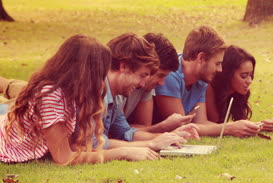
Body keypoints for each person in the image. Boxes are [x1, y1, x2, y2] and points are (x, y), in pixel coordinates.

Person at [0, 35, 159, 165]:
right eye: (101, 73)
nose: (103, 80)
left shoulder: (74, 96)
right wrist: (124, 152)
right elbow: (64, 158)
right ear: (86, 72)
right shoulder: (50, 96)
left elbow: (77, 145)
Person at [154, 26, 262, 137]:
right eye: (217, 64)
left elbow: (201, 122)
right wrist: (229, 129)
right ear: (201, 58)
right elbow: (182, 128)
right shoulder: (170, 76)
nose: (220, 70)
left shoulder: (201, 79)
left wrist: (248, 127)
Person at [102, 33, 199, 151]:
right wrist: (150, 144)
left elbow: (125, 133)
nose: (143, 84)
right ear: (123, 67)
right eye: (143, 75)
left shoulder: (116, 97)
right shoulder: (96, 91)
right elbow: (94, 143)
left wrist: (165, 138)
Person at [121, 33, 194, 133]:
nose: (162, 83)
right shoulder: (120, 85)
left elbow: (144, 126)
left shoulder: (147, 88)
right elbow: (116, 132)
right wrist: (163, 127)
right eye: (160, 75)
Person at [206, 45, 273, 132]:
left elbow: (239, 123)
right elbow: (217, 124)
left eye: (250, 75)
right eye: (243, 76)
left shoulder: (237, 93)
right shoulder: (209, 88)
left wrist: (262, 125)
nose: (249, 81)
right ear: (227, 74)